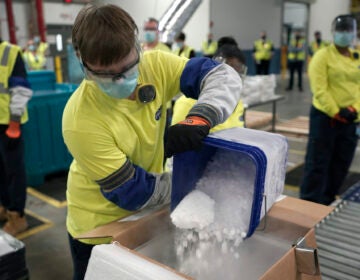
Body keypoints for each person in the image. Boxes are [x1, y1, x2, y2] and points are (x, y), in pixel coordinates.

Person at [62, 4, 242, 279]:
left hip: (148, 207)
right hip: (98, 225)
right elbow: (132, 192)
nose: (122, 82)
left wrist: (201, 116)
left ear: (137, 47)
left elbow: (221, 75)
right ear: (82, 63)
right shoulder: (79, 120)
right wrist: (191, 186)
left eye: (127, 68)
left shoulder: (155, 66)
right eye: (106, 76)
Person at [300, 15, 360, 205]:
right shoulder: (322, 55)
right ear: (334, 32)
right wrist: (336, 111)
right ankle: (309, 203)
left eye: (349, 30)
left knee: (340, 163)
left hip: (351, 119)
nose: (345, 34)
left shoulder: (356, 57)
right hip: (326, 118)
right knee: (318, 163)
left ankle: (327, 200)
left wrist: (354, 109)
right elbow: (319, 88)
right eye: (341, 30)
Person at [172, 44, 247, 131]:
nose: (231, 79)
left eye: (237, 72)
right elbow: (179, 140)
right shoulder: (188, 103)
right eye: (227, 72)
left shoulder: (237, 103)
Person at [0, 38, 33, 236]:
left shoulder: (10, 53)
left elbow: (21, 90)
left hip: (9, 124)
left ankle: (17, 215)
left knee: (13, 171)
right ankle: (4, 206)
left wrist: (14, 123)